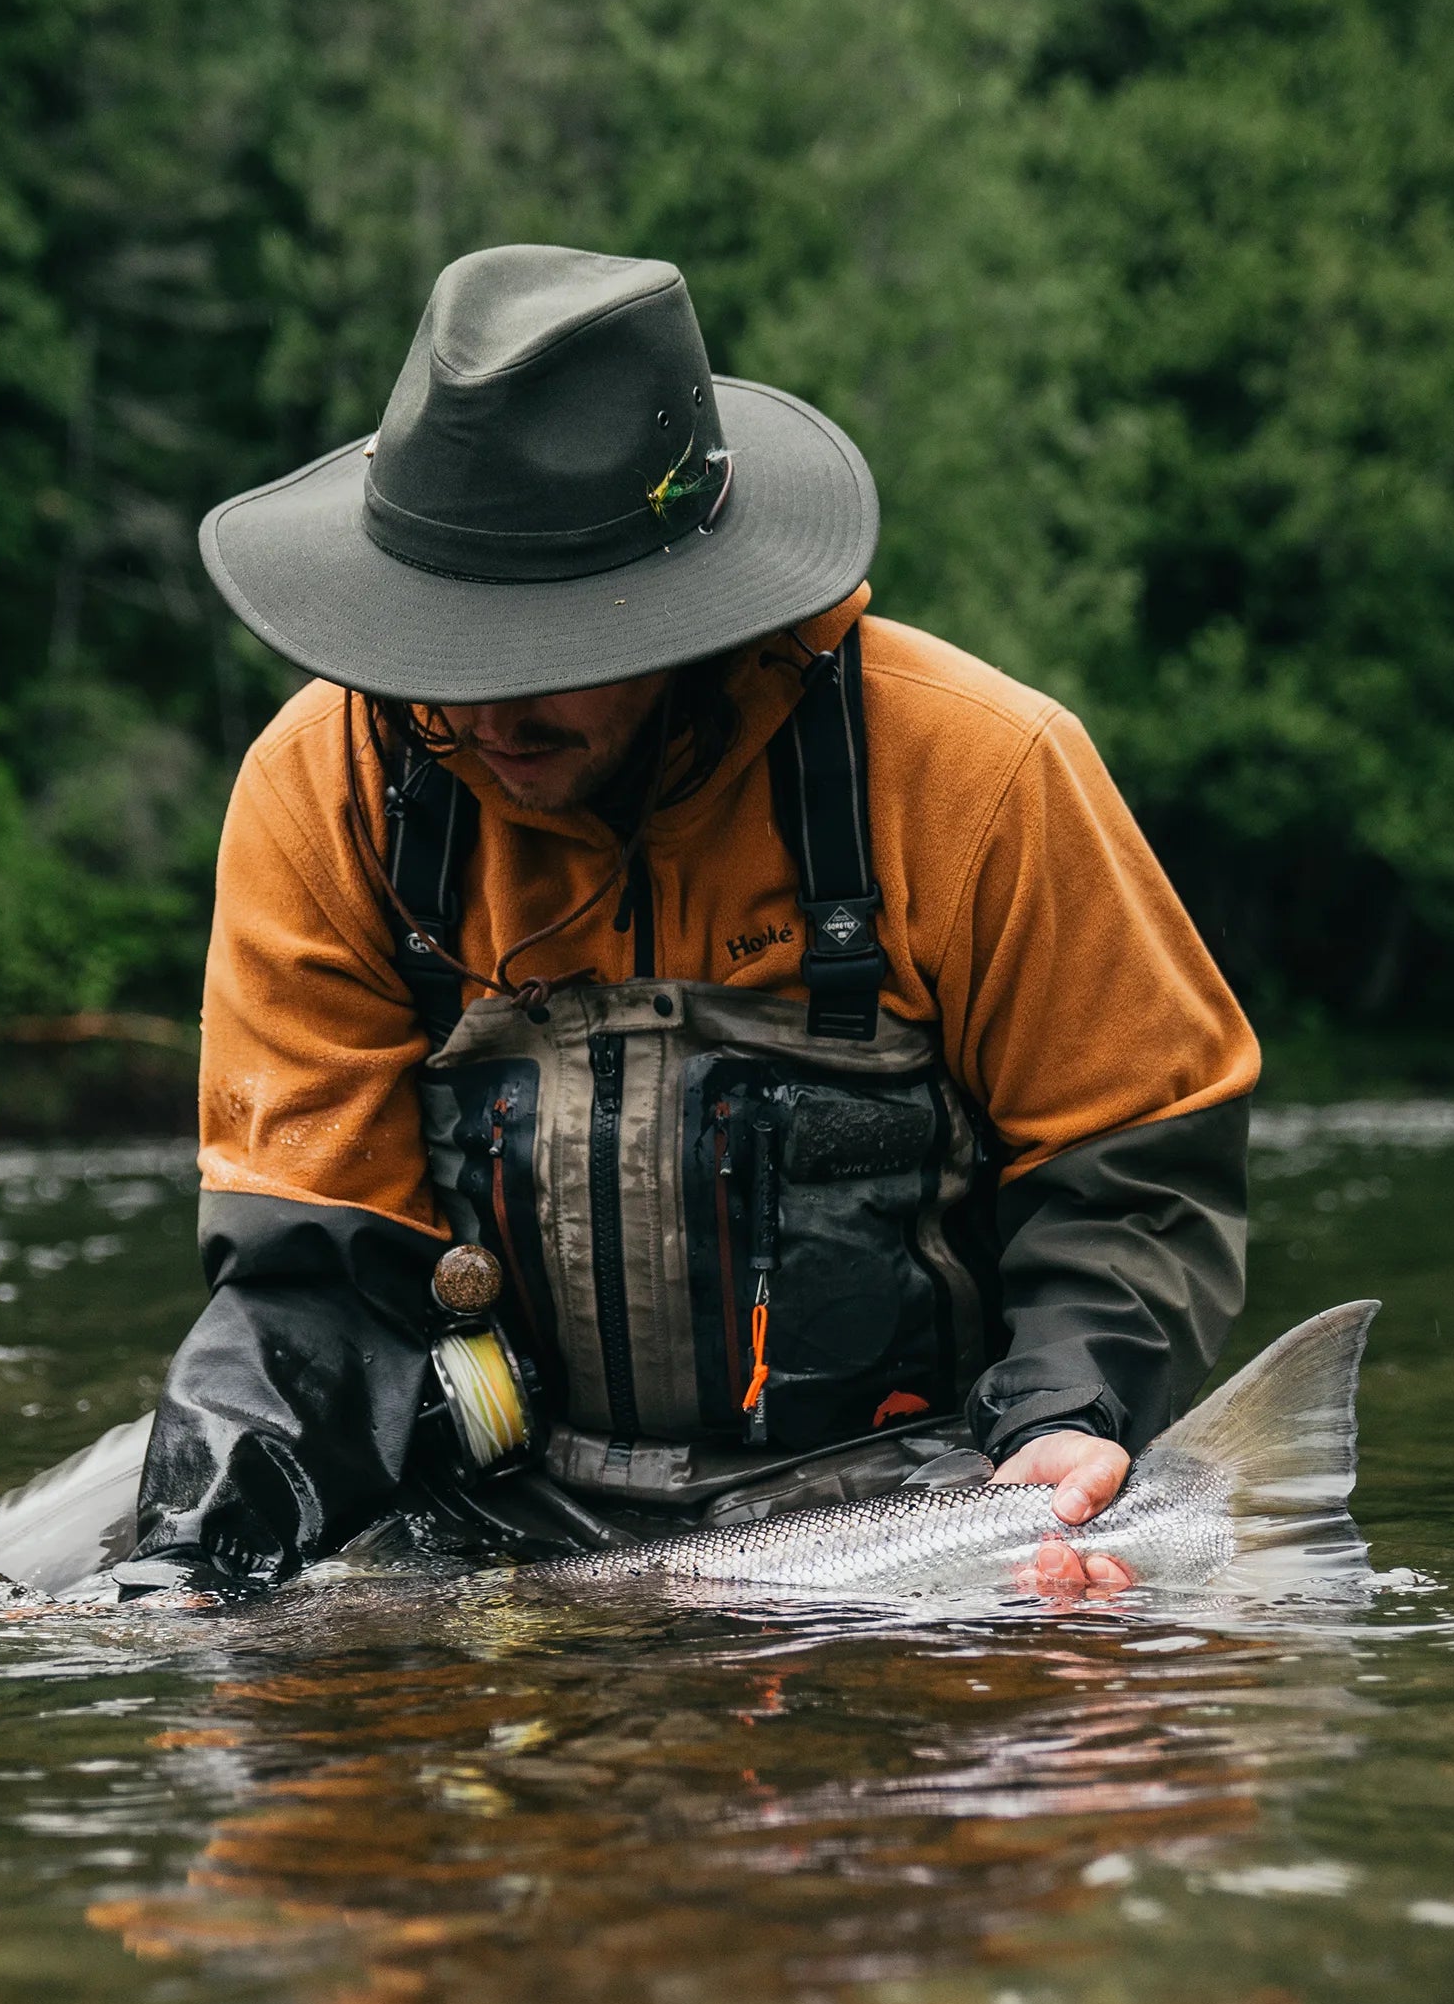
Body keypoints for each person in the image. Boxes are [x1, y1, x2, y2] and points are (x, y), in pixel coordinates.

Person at [131, 244, 1256, 1596]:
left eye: (547, 652)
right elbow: (314, 1277)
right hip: (507, 1529)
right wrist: (192, 1583)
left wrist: (1071, 1417)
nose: (490, 715)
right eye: (442, 645)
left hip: (914, 1515)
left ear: (690, 609)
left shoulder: (978, 773)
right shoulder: (325, 787)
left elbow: (1129, 1176)